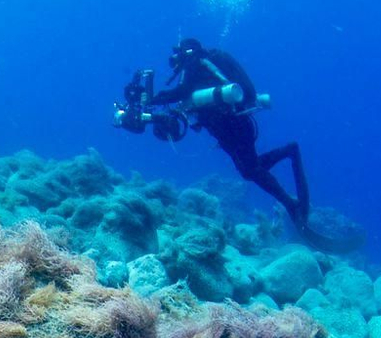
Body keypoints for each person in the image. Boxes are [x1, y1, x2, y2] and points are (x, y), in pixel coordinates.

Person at [115, 38, 355, 251]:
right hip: (235, 125)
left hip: (233, 126)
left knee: (251, 170)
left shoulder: (194, 61)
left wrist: (155, 98)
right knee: (250, 169)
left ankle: (291, 201)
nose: (174, 64)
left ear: (185, 52)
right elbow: (189, 103)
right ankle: (290, 187)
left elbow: (182, 91)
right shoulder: (206, 67)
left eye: (175, 58)